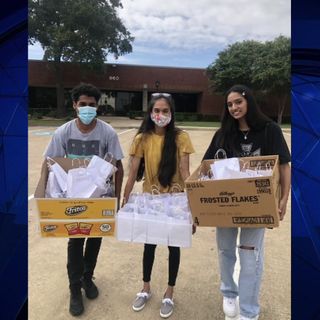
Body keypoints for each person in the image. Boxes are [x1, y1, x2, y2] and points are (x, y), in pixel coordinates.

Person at [203, 84, 291, 320]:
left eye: (238, 102)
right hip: (225, 206)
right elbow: (206, 168)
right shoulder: (222, 134)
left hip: (257, 205)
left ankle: (249, 310)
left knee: (250, 255)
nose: (234, 107)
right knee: (225, 250)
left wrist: (283, 198)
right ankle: (229, 292)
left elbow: (283, 165)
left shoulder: (269, 130)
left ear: (248, 101)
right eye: (229, 104)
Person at [42, 83, 124, 316]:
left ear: (97, 107)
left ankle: (88, 278)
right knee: (76, 239)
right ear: (75, 106)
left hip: (100, 197)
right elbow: (50, 163)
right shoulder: (63, 132)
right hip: (74, 197)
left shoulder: (107, 132)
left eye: (92, 105)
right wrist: (47, 196)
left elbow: (118, 166)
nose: (87, 108)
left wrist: (116, 199)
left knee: (96, 238)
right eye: (83, 104)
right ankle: (75, 287)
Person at [122, 93, 195, 318]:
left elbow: (185, 173)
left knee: (174, 246)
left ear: (171, 114)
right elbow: (133, 172)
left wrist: (193, 208)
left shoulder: (181, 137)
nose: (160, 115)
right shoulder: (141, 138)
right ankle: (145, 288)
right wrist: (124, 199)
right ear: (150, 113)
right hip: (151, 200)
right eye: (156, 111)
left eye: (165, 111)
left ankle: (169, 292)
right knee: (149, 246)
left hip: (175, 201)